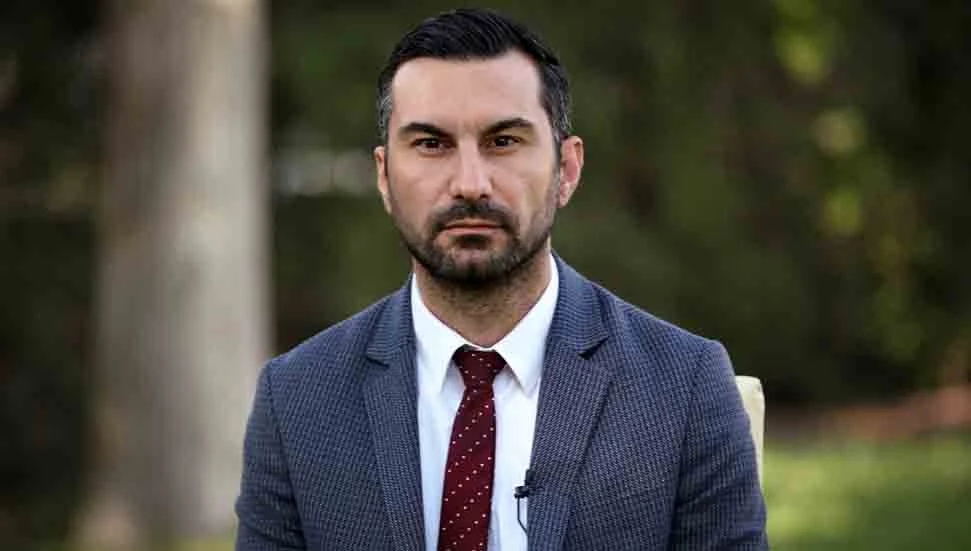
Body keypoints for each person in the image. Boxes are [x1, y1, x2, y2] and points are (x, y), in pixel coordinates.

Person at [236, 8, 767, 551]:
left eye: (504, 141)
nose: (470, 184)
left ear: (567, 170)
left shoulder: (684, 387)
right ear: (384, 176)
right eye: (431, 144)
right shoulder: (298, 400)